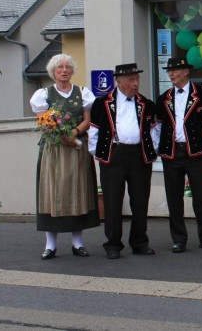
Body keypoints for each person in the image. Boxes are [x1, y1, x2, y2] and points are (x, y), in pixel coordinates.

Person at [29, 54, 100, 260]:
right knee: (53, 194)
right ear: (53, 72)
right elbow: (42, 120)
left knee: (78, 193)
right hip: (54, 150)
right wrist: (61, 135)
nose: (64, 70)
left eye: (68, 67)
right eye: (60, 67)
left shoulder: (82, 92)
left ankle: (78, 242)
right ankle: (50, 245)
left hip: (77, 148)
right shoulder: (43, 94)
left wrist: (75, 133)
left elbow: (88, 119)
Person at [88, 63, 160, 260]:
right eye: (131, 80)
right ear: (118, 81)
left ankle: (139, 242)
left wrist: (150, 150)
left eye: (137, 79)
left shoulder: (147, 104)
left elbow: (154, 132)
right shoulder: (102, 103)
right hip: (114, 155)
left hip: (139, 156)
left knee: (140, 201)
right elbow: (94, 132)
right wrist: (101, 154)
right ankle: (112, 244)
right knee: (112, 202)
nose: (135, 83)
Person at [155, 57, 202, 254]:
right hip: (173, 152)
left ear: (186, 71)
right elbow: (158, 127)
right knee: (174, 198)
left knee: (201, 197)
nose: (171, 74)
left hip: (197, 152)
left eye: (175, 70)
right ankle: (178, 239)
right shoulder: (164, 98)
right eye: (169, 71)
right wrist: (162, 148)